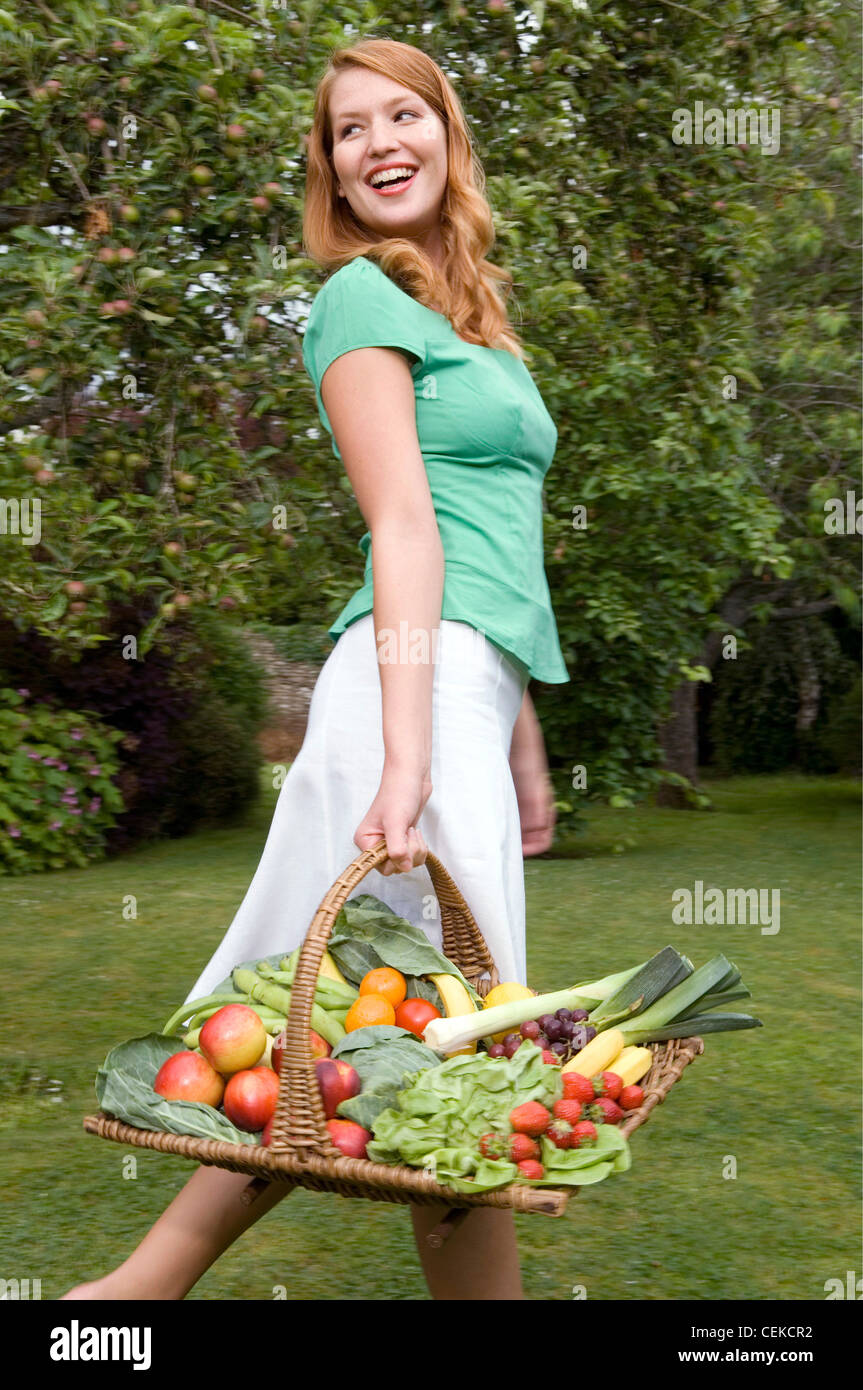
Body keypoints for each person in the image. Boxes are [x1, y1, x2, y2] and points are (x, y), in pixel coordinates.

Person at [62, 36, 570, 1303]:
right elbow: (403, 527)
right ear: (331, 173)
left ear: (449, 137)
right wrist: (409, 757)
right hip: (402, 697)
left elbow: (494, 546)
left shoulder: (473, 321)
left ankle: (124, 1302)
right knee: (451, 1051)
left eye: (405, 115)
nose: (380, 142)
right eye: (350, 129)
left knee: (359, 1043)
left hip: (460, 687)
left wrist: (515, 743)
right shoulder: (358, 301)